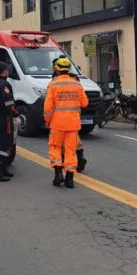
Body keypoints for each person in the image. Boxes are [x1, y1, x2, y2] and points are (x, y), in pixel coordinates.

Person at [44, 57, 88, 188]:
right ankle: (70, 179)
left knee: (55, 147)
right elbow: (85, 103)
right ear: (69, 69)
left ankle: (58, 174)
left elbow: (47, 107)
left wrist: (47, 120)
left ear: (56, 69)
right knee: (71, 151)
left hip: (57, 123)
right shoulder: (76, 84)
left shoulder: (53, 84)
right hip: (73, 124)